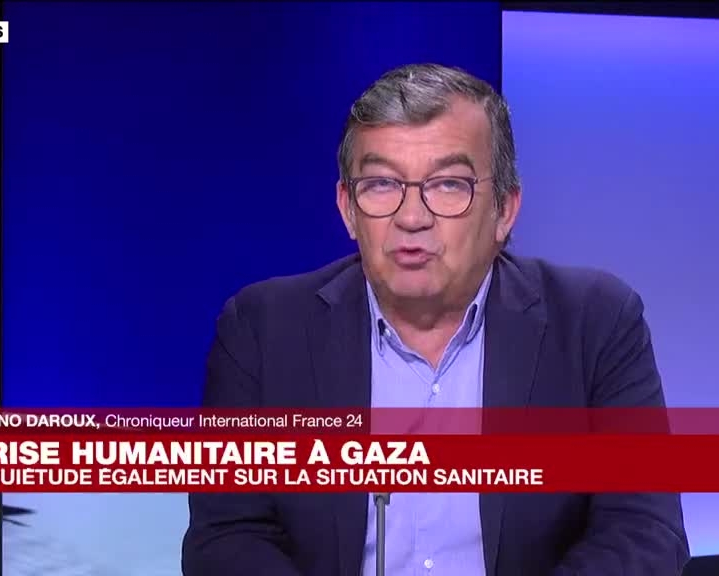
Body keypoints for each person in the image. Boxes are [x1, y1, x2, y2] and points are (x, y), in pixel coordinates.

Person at [182, 63, 689, 576]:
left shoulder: (594, 322)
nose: (412, 217)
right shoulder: (263, 330)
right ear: (347, 208)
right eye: (381, 184)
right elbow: (226, 538)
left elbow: (644, 531)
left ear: (504, 209)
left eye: (448, 185)